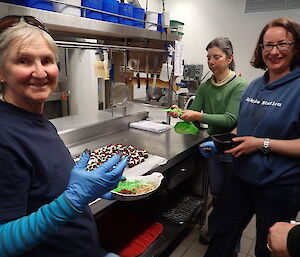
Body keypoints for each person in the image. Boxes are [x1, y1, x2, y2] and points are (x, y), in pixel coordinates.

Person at [0, 15, 128, 257]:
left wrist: (90, 189)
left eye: (47, 60)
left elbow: (41, 190)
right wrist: (71, 200)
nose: (40, 72)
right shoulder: (4, 136)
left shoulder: (37, 121)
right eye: (23, 61)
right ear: (1, 73)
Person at [202, 18, 300, 257]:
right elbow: (244, 128)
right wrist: (221, 143)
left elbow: (260, 139)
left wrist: (262, 144)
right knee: (222, 236)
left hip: (280, 185)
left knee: (267, 248)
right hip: (241, 176)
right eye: (267, 45)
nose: (273, 51)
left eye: (282, 44)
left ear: (296, 47)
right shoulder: (255, 86)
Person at [169, 37, 247, 255]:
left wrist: (198, 114)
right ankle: (216, 230)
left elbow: (230, 119)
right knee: (218, 193)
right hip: (213, 147)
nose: (211, 62)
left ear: (229, 58)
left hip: (232, 147)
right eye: (209, 58)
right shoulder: (206, 85)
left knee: (232, 197)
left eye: (217, 57)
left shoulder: (239, 85)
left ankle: (231, 241)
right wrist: (181, 114)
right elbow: (196, 117)